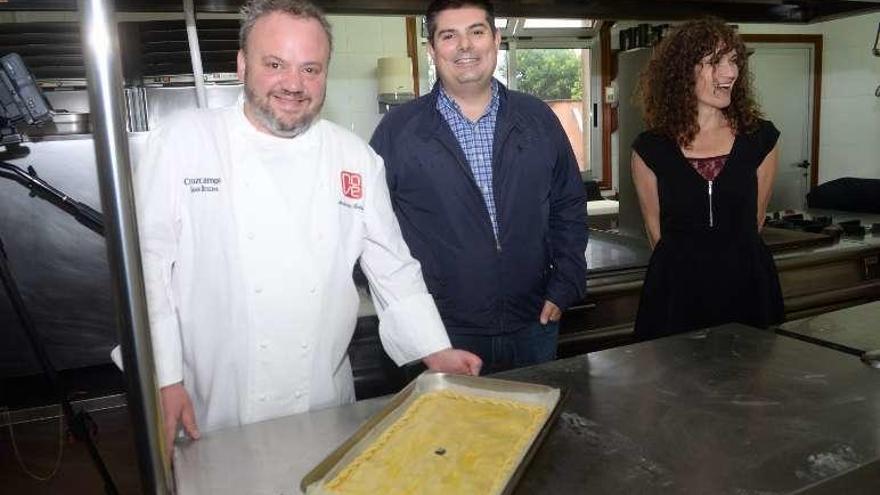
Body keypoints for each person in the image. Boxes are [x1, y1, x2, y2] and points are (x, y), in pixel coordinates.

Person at [135, 0, 481, 454]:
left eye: (311, 69)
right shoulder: (184, 142)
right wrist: (163, 378)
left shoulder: (354, 157)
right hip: (211, 404)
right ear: (242, 65)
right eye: (275, 64)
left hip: (320, 398)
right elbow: (147, 270)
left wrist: (434, 348)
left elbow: (392, 267)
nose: (293, 85)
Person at [370, 0, 588, 374]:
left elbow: (568, 205)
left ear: (496, 39)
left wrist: (566, 281)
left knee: (535, 425)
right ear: (431, 49)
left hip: (533, 323)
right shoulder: (397, 132)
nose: (465, 46)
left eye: (476, 31)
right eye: (449, 36)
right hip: (441, 332)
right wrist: (412, 316)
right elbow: (371, 232)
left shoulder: (538, 119)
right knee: (449, 433)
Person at [630, 18, 784, 339]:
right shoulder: (650, 150)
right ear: (684, 71)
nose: (730, 72)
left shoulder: (761, 140)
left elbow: (754, 222)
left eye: (733, 60)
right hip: (676, 298)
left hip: (749, 290)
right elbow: (657, 235)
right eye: (715, 62)